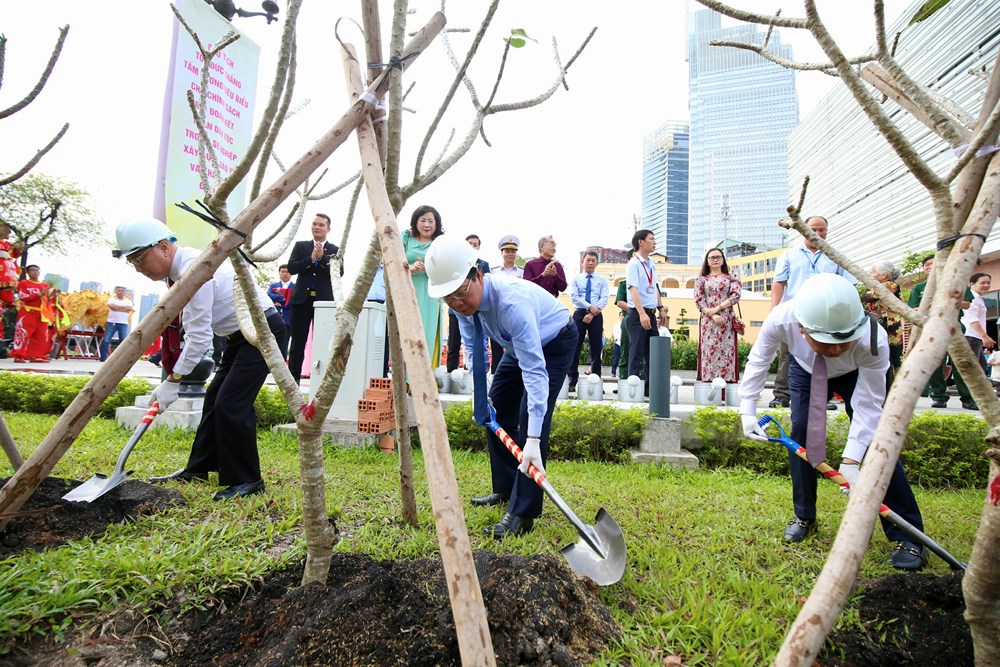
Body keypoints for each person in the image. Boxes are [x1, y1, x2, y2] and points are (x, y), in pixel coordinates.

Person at [740, 273, 927, 570]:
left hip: (858, 372)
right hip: (806, 369)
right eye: (828, 342)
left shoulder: (872, 339)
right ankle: (805, 517)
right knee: (800, 432)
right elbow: (759, 360)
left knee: (880, 443)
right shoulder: (781, 318)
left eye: (844, 341)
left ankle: (909, 538)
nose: (837, 349)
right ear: (802, 329)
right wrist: (747, 409)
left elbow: (868, 406)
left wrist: (851, 461)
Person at [114, 217, 288, 501]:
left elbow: (199, 339)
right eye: (132, 262)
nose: (138, 268)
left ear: (163, 248)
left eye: (139, 258)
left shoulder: (196, 271)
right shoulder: (183, 269)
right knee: (215, 398)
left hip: (262, 331)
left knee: (231, 402)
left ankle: (247, 480)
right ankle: (199, 467)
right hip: (238, 335)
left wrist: (173, 381)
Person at [425, 235, 576, 539]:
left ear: (478, 275)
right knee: (495, 408)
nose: (456, 303)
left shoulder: (512, 303)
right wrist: (479, 396)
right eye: (449, 298)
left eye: (461, 294)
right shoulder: (461, 304)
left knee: (532, 417)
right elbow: (474, 348)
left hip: (554, 342)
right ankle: (505, 488)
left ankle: (523, 512)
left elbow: (534, 371)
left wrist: (531, 439)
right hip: (514, 347)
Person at [769, 216, 853, 409]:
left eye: (822, 229)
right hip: (794, 311)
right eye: (813, 229)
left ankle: (822, 397)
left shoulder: (836, 255)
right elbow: (779, 282)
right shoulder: (789, 255)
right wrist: (774, 310)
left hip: (827, 313)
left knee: (823, 353)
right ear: (802, 230)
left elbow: (847, 283)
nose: (818, 233)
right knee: (787, 354)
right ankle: (782, 395)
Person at [907, 254, 975, 409]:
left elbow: (966, 304)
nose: (930, 267)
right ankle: (939, 397)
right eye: (927, 265)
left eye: (933, 264)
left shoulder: (955, 282)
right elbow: (915, 309)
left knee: (961, 363)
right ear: (924, 269)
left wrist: (946, 301)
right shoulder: (919, 288)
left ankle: (968, 398)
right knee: (935, 364)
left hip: (953, 327)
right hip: (931, 329)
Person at [287, 214, 341, 384]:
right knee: (298, 342)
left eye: (321, 225)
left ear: (328, 229)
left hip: (323, 302)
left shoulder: (334, 250)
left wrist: (322, 258)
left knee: (322, 342)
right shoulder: (301, 246)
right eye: (314, 224)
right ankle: (293, 380)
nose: (317, 227)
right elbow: (292, 267)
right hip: (302, 300)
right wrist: (310, 259)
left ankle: (320, 380)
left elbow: (340, 271)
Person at [402, 205, 445, 368]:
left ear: (436, 224)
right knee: (407, 333)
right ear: (416, 222)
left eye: (431, 221)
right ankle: (404, 379)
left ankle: (423, 377)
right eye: (423, 220)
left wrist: (428, 268)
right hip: (408, 291)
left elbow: (446, 269)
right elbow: (393, 260)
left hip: (430, 294)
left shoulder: (440, 242)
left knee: (426, 333)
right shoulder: (406, 237)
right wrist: (410, 268)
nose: (427, 225)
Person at [625, 229, 667, 396]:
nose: (654, 242)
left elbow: (654, 287)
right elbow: (633, 290)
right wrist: (642, 313)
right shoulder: (633, 264)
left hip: (650, 313)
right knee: (636, 352)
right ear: (641, 242)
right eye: (651, 239)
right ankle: (632, 392)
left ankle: (651, 391)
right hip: (637, 314)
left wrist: (660, 308)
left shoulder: (651, 263)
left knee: (653, 354)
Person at [693, 249, 742, 383]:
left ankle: (727, 386)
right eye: (711, 257)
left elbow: (735, 295)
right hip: (708, 322)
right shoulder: (701, 279)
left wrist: (717, 308)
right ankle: (709, 385)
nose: (715, 260)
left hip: (726, 320)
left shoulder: (731, 277)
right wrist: (713, 315)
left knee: (727, 352)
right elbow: (699, 300)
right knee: (709, 352)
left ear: (723, 259)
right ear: (707, 261)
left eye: (718, 257)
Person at [446, 234, 490, 373]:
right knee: (457, 342)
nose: (471, 246)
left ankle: (484, 372)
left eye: (475, 244)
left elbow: (486, 286)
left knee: (481, 342)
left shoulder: (483, 265)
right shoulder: (453, 263)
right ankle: (455, 372)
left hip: (479, 309)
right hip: (458, 312)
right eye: (469, 243)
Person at [568, 250, 609, 392]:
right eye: (588, 260)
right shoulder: (576, 279)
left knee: (596, 347)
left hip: (596, 315)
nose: (590, 262)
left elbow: (604, 299)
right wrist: (589, 307)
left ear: (597, 263)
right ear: (582, 262)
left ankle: (596, 381)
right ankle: (571, 380)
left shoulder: (602, 281)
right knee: (575, 346)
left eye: (593, 260)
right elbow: (574, 297)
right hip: (579, 314)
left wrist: (592, 312)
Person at [861, 261, 903, 392]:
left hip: (892, 327)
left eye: (872, 272)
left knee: (895, 357)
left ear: (883, 275)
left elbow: (868, 296)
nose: (870, 275)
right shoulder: (879, 285)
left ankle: (897, 389)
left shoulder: (890, 285)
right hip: (881, 325)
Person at [489, 234, 522, 371]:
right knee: (496, 345)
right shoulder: (493, 271)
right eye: (507, 251)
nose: (510, 254)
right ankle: (496, 374)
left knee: (516, 346)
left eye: (513, 251)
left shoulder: (523, 272)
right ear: (501, 253)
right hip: (497, 313)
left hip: (515, 314)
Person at [11, 265, 54, 363]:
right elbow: (22, 296)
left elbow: (47, 300)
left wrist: (52, 296)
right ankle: (19, 355)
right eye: (33, 270)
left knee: (40, 335)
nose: (35, 272)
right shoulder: (24, 283)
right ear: (27, 272)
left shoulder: (44, 285)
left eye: (37, 270)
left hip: (41, 313)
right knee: (23, 334)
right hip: (28, 311)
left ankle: (35, 356)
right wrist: (39, 294)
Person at [962, 272, 994, 378]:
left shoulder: (978, 298)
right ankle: (969, 393)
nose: (986, 285)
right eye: (982, 283)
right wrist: (984, 335)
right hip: (970, 335)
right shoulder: (973, 298)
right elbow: (972, 318)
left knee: (981, 366)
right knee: (974, 367)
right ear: (972, 284)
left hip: (975, 337)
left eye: (988, 283)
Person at [99, 286, 134, 361]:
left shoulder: (128, 301)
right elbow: (112, 307)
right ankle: (103, 357)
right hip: (112, 323)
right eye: (119, 290)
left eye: (122, 290)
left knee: (123, 341)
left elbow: (130, 309)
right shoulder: (112, 299)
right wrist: (124, 308)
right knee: (106, 340)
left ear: (124, 292)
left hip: (123, 323)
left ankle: (122, 358)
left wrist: (117, 308)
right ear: (116, 292)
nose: (120, 292)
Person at [267, 264, 295, 345]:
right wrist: (284, 298)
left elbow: (294, 300)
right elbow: (269, 296)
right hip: (275, 317)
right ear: (279, 273)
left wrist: (280, 300)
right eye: (283, 271)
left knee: (285, 343)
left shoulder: (295, 286)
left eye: (287, 272)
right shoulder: (273, 285)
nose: (285, 274)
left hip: (289, 319)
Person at [0, 223, 24, 309]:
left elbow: (14, 254)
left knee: (7, 285)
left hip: (7, 267)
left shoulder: (8, 244)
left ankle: (8, 300)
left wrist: (18, 248)